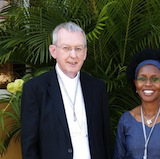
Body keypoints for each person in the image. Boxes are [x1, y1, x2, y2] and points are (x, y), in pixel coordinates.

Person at [21, 22, 111, 159]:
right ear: (53, 51)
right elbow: (30, 147)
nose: (73, 55)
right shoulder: (35, 89)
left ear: (85, 53)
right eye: (66, 48)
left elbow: (105, 139)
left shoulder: (97, 88)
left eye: (78, 48)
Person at [113, 48, 160, 159]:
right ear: (135, 84)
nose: (148, 84)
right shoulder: (126, 120)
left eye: (155, 79)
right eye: (142, 78)